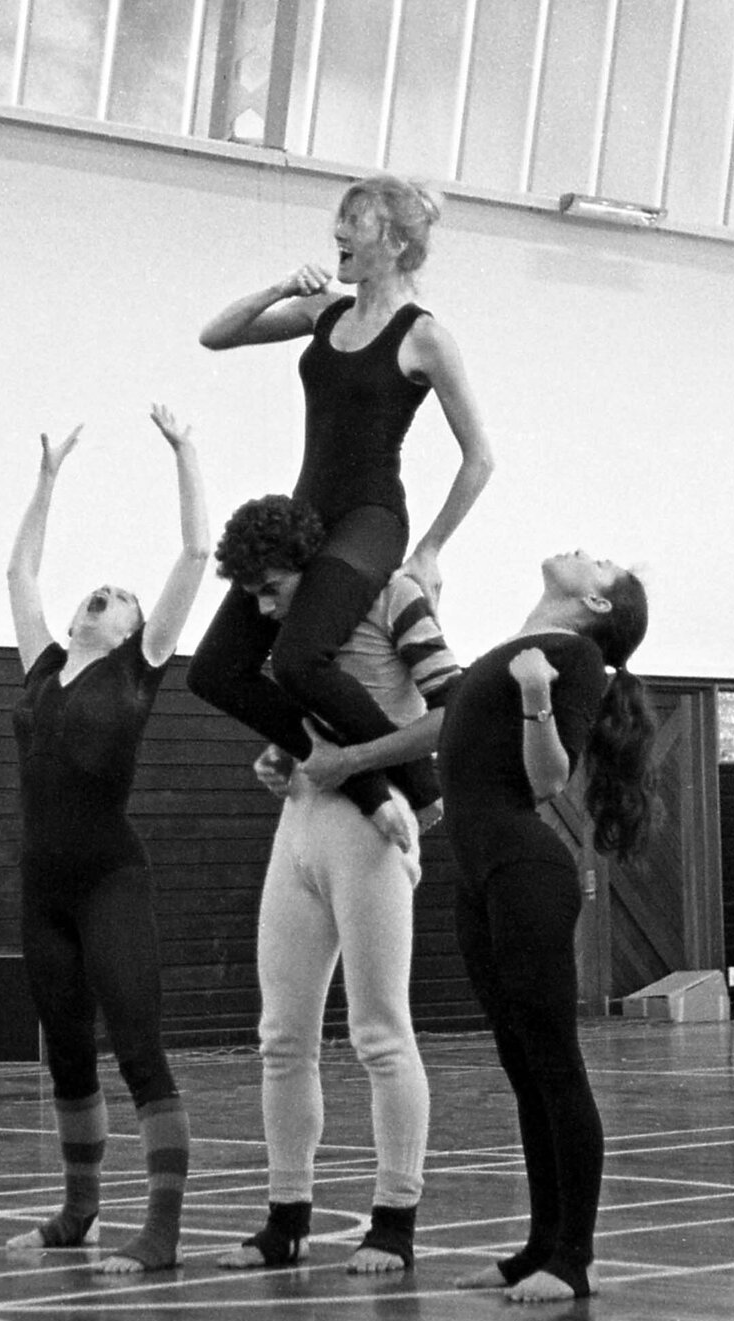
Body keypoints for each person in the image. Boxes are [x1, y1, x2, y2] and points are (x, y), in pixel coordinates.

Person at [188, 174, 492, 840]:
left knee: (299, 661)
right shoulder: (323, 311)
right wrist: (280, 288)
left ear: (395, 241)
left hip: (370, 519)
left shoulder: (425, 337)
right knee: (214, 672)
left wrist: (431, 548)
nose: (338, 233)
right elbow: (215, 335)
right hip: (308, 514)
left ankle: (420, 784)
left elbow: (480, 458)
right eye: (340, 220)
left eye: (355, 222)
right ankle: (355, 776)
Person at [207, 494, 460, 1274]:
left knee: (380, 1031)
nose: (263, 607)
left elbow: (454, 714)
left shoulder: (393, 595)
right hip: (302, 822)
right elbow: (308, 726)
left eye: (272, 588)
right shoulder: (290, 628)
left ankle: (395, 1221)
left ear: (310, 564)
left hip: (371, 831)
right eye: (251, 594)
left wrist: (356, 763)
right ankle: (286, 1220)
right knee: (281, 1037)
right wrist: (284, 754)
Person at [4, 406, 209, 1273]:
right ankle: (79, 1211)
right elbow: (19, 570)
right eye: (104, 589)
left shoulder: (140, 667)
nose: (109, 592)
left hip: (110, 880)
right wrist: (47, 479)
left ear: (133, 628)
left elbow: (195, 554)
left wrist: (185, 452)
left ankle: (160, 1230)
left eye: (123, 596)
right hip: (42, 886)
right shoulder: (44, 667)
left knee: (137, 1047)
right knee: (66, 1052)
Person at [436, 549, 658, 1303]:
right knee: (523, 1067)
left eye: (600, 563)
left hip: (524, 870)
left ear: (597, 604)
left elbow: (549, 777)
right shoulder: (519, 648)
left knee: (554, 1062)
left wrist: (535, 696)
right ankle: (540, 1245)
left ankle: (574, 1258)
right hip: (480, 874)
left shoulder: (574, 659)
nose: (582, 552)